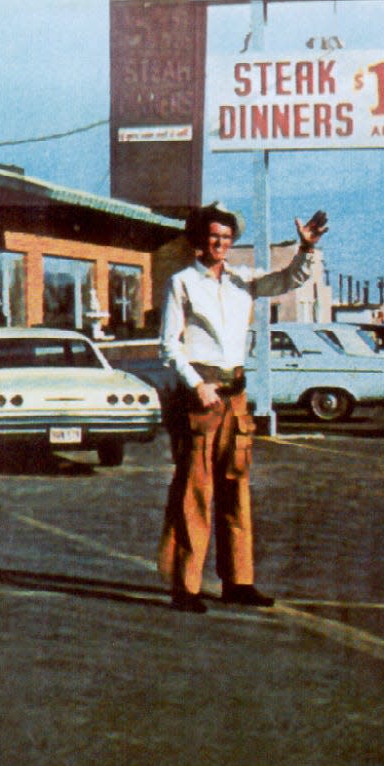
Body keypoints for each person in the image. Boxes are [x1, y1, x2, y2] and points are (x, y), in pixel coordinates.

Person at [157, 200, 327, 613]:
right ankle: (186, 585)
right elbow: (169, 345)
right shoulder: (182, 283)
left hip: (235, 395)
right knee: (195, 490)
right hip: (202, 396)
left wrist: (306, 249)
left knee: (237, 487)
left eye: (227, 238)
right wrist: (197, 385)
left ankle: (238, 581)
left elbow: (288, 280)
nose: (221, 243)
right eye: (214, 236)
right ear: (200, 240)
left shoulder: (242, 280)